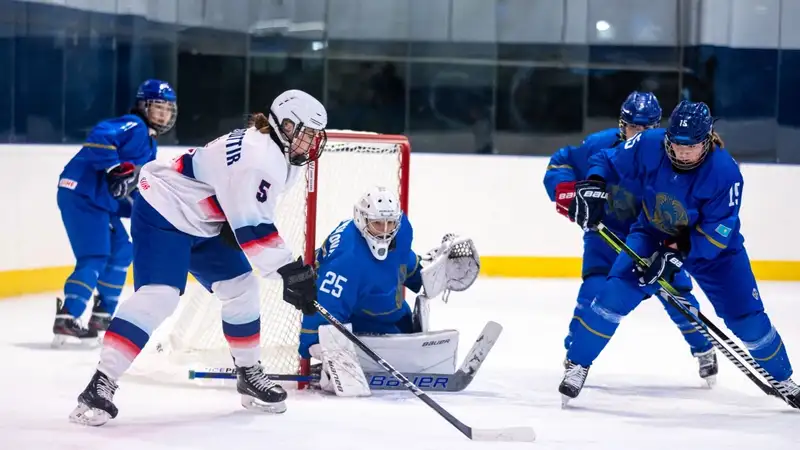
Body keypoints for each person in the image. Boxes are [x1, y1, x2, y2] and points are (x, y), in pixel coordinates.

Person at [68, 89, 328, 426]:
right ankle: (100, 383)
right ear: (285, 125)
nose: (310, 144)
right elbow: (254, 229)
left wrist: (280, 265)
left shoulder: (276, 152)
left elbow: (245, 212)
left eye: (314, 136)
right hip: (165, 210)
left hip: (204, 220)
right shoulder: (259, 157)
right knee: (159, 297)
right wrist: (290, 272)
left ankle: (248, 373)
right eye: (305, 134)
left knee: (242, 287)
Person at [560, 100, 799, 408]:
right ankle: (578, 364)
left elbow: (719, 232)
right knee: (611, 297)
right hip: (651, 236)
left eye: (692, 146)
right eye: (677, 144)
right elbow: (606, 159)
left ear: (708, 140)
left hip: (714, 252)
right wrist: (593, 184)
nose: (683, 152)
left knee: (748, 321)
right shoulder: (648, 143)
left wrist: (675, 254)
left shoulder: (725, 174)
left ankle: (784, 378)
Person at [544, 91, 717, 384]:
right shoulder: (599, 145)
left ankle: (703, 348)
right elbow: (561, 163)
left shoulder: (668, 155)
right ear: (621, 124)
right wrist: (570, 193)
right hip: (605, 238)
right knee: (592, 294)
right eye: (632, 126)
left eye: (645, 128)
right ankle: (575, 358)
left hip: (653, 241)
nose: (637, 133)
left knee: (679, 300)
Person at [290, 186, 480, 397]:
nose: (385, 231)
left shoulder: (402, 228)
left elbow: (398, 259)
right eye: (378, 224)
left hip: (391, 312)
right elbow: (326, 306)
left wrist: (422, 273)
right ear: (362, 220)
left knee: (407, 333)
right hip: (362, 324)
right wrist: (320, 349)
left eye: (390, 223)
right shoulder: (346, 261)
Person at [54, 79, 177, 345]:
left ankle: (102, 315)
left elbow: (129, 189)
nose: (163, 114)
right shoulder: (134, 125)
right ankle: (67, 317)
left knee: (121, 250)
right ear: (143, 105)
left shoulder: (150, 144)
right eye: (158, 107)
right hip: (80, 192)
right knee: (95, 255)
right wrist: (113, 168)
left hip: (99, 201)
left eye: (168, 109)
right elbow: (101, 135)